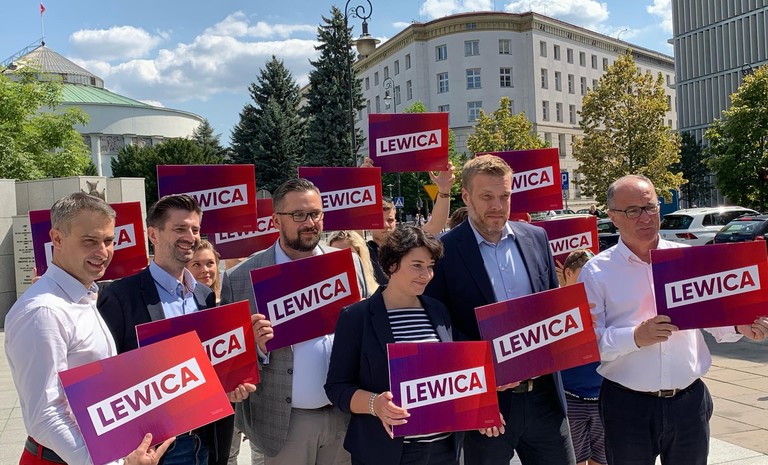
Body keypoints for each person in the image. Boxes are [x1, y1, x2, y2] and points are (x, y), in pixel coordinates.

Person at [578, 174, 768, 465]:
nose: (645, 217)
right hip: (627, 406)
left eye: (650, 207)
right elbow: (589, 343)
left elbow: (712, 318)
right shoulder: (596, 272)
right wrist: (635, 337)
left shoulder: (687, 258)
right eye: (633, 211)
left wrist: (739, 325)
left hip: (688, 403)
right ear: (612, 217)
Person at [424, 155, 576, 465]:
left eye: (504, 196)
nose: (497, 205)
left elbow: (550, 305)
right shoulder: (442, 252)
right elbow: (438, 329)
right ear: (466, 197)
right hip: (486, 402)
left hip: (544, 399)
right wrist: (481, 379)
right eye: (487, 196)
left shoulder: (536, 238)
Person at [5, 192, 175, 465]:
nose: (103, 252)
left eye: (108, 241)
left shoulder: (83, 295)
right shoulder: (44, 311)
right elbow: (45, 415)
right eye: (90, 241)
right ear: (57, 239)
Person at [219, 178, 372, 465]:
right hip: (285, 426)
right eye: (299, 215)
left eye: (315, 214)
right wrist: (257, 347)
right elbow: (230, 363)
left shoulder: (348, 264)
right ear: (276, 220)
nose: (310, 223)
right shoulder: (240, 279)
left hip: (345, 416)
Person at [99, 194, 251, 465]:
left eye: (195, 229)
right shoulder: (121, 296)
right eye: (180, 228)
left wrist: (229, 385)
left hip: (205, 441)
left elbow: (209, 365)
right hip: (157, 449)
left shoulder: (204, 295)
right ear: (153, 235)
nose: (190, 237)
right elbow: (107, 377)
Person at [325, 225, 459, 465]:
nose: (426, 275)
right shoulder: (356, 317)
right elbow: (337, 387)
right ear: (392, 264)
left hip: (444, 449)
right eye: (417, 265)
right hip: (387, 452)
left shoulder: (438, 310)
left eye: (430, 266)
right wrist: (374, 404)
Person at [185, 242, 265, 465]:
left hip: (243, 391)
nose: (205, 270)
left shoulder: (234, 296)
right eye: (196, 264)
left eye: (210, 263)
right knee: (226, 455)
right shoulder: (188, 306)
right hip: (209, 399)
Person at [366, 162, 455, 286]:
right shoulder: (362, 251)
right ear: (368, 223)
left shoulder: (406, 242)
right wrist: (362, 181)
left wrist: (444, 190)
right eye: (379, 221)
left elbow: (435, 225)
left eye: (390, 220)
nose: (386, 225)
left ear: (395, 220)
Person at [558, 249, 605, 465]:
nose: (590, 281)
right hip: (572, 399)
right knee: (575, 460)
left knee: (602, 460)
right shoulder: (556, 308)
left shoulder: (604, 303)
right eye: (584, 275)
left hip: (603, 398)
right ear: (568, 273)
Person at [328, 230, 379, 294]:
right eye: (336, 255)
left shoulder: (378, 292)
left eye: (348, 255)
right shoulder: (326, 293)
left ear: (360, 255)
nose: (342, 261)